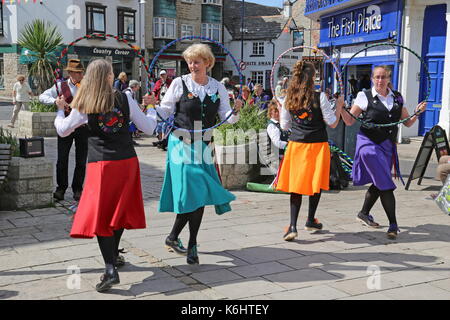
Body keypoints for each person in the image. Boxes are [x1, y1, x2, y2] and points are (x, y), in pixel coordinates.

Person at [54, 59, 157, 292]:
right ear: (110, 77)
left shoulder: (84, 101)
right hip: (127, 162)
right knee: (118, 212)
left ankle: (110, 268)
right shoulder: (125, 98)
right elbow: (150, 128)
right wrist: (151, 108)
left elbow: (63, 130)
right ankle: (113, 257)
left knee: (102, 216)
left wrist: (60, 110)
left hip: (101, 166)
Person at [155, 43, 243, 264]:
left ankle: (187, 241)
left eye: (197, 61)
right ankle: (178, 238)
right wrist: (151, 108)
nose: (192, 65)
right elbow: (165, 110)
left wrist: (236, 111)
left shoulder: (217, 87)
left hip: (205, 144)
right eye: (190, 62)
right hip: (181, 143)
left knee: (198, 194)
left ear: (207, 63)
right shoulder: (179, 83)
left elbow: (226, 116)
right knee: (192, 191)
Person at [340, 65, 427, 239]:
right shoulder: (364, 96)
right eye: (377, 77)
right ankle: (393, 225)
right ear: (372, 78)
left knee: (379, 181)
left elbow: (407, 123)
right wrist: (341, 107)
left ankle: (363, 213)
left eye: (383, 77)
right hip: (368, 145)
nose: (380, 80)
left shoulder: (397, 98)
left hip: (387, 146)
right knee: (385, 184)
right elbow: (349, 121)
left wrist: (417, 113)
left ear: (389, 78)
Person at [275, 61, 344, 241]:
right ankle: (310, 220)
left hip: (296, 145)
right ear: (313, 77)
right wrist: (339, 106)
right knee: (315, 184)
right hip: (317, 145)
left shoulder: (290, 97)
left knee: (296, 186)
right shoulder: (319, 97)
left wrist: (284, 109)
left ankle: (292, 226)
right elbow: (333, 123)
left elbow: (284, 125)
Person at [39, 59, 87, 201]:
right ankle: (61, 188)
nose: (80, 75)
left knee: (81, 160)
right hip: (65, 126)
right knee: (62, 159)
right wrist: (56, 101)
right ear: (70, 73)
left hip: (83, 128)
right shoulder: (60, 86)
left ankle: (78, 188)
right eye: (77, 72)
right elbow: (42, 96)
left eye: (81, 72)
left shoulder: (88, 86)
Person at [123, 80, 142, 144]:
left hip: (129, 112)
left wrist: (139, 105)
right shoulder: (128, 93)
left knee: (130, 126)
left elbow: (134, 101)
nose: (138, 88)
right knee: (129, 126)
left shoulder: (132, 92)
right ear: (134, 86)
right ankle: (128, 141)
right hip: (126, 112)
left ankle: (130, 140)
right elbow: (129, 104)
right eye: (137, 86)